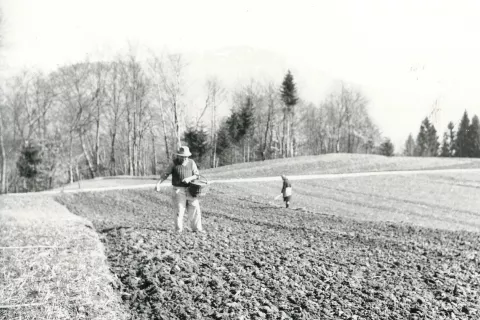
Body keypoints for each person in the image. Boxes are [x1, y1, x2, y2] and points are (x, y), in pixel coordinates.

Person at [155, 146, 204, 233]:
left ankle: (197, 229)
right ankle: (178, 230)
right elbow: (165, 174)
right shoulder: (174, 164)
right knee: (179, 210)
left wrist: (189, 179)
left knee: (194, 208)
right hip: (178, 190)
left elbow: (197, 175)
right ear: (178, 156)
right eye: (182, 156)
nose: (184, 158)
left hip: (191, 189)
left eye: (186, 156)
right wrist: (158, 183)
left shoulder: (191, 162)